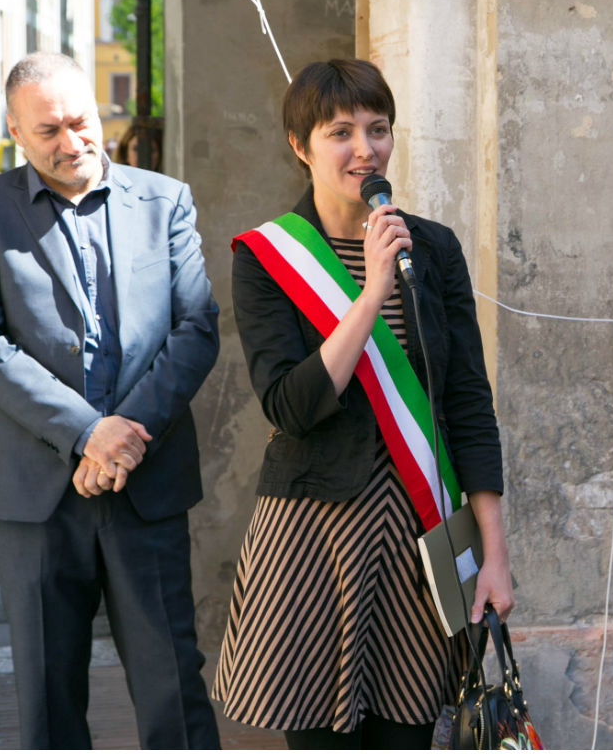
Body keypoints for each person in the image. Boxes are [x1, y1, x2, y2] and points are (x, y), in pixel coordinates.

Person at [211, 58, 513, 750]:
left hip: (417, 541)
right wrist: (371, 293)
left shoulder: (432, 250)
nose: (364, 150)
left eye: (378, 130)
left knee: (406, 733)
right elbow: (290, 405)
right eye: (340, 132)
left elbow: (467, 404)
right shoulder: (265, 257)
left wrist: (493, 553)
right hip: (313, 539)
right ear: (300, 145)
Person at [0, 52, 221, 748]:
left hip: (146, 482)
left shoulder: (166, 201)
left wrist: (128, 431)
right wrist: (86, 433)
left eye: (81, 121)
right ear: (15, 130)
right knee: (49, 694)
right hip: (33, 495)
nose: (72, 143)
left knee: (173, 690)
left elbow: (195, 328)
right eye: (49, 131)